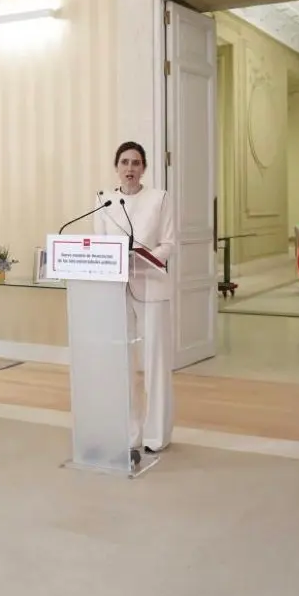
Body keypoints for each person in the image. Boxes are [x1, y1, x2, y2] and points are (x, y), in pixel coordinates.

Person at [93, 141, 176, 465]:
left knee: (154, 362)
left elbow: (169, 242)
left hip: (152, 285)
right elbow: (99, 244)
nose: (130, 168)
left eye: (136, 163)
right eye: (125, 162)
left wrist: (146, 259)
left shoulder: (159, 198)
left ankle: (156, 435)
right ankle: (129, 433)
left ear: (144, 168)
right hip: (116, 288)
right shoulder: (103, 200)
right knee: (122, 363)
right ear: (116, 166)